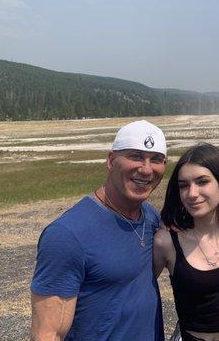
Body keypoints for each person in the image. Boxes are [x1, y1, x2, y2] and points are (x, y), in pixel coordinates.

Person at [30, 120, 167, 341]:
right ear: (111, 160)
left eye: (156, 159)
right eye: (135, 156)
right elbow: (48, 333)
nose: (146, 169)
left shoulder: (150, 217)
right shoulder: (67, 235)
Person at [154, 143, 219, 341]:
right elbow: (140, 291)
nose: (192, 193)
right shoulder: (166, 242)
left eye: (202, 182)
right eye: (184, 185)